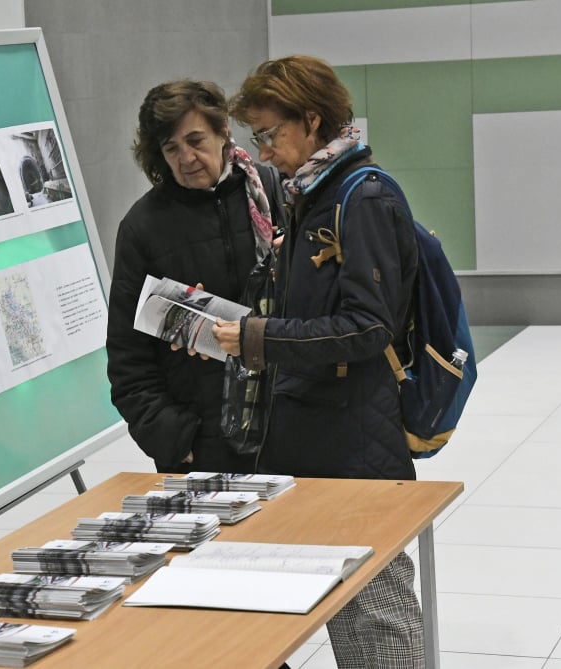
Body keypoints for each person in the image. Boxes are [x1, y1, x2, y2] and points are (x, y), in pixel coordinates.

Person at [214, 56, 424, 668]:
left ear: (312, 120)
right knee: (339, 609)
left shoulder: (363, 197)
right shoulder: (312, 191)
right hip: (315, 431)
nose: (264, 149)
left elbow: (368, 324)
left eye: (269, 134)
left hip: (355, 442)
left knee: (374, 622)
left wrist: (259, 337)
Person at [106, 79, 282, 474]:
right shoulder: (142, 228)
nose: (186, 158)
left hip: (287, 430)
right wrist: (174, 439)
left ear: (223, 133)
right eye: (172, 148)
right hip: (203, 446)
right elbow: (127, 358)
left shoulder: (274, 193)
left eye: (196, 140)